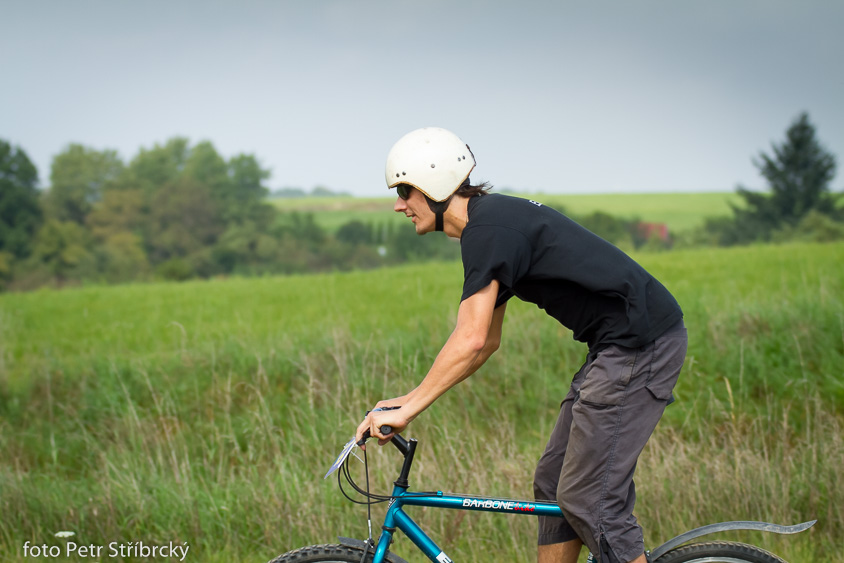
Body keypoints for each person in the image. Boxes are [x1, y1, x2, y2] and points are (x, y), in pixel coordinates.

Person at [355, 127, 687, 563]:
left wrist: (409, 411)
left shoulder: (489, 231)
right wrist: (408, 399)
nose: (399, 204)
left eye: (404, 190)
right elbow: (486, 340)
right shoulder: (489, 227)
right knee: (553, 485)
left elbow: (471, 339)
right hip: (616, 347)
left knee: (591, 500)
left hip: (640, 345)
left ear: (433, 185)